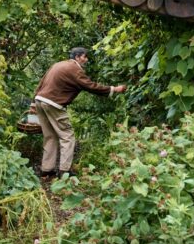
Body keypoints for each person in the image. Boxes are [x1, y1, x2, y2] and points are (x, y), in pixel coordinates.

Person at [30, 47, 127, 178]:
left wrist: (32, 103)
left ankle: (47, 170)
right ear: (77, 57)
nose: (86, 60)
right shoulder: (74, 70)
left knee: (50, 136)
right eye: (84, 57)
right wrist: (114, 89)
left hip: (39, 100)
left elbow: (41, 82)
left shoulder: (58, 64)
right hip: (53, 103)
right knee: (67, 136)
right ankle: (64, 171)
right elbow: (90, 86)